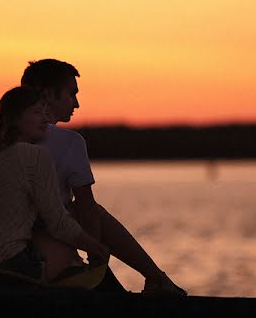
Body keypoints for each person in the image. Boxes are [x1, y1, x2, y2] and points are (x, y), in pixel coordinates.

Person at [20, 59, 185, 295]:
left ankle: (152, 279)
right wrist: (96, 262)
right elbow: (86, 210)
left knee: (78, 212)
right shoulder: (70, 143)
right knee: (89, 210)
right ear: (47, 94)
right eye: (70, 94)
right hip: (42, 252)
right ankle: (152, 278)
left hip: (9, 247)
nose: (76, 103)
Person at [0, 87, 109, 283]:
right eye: (37, 112)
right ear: (14, 118)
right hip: (8, 268)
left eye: (46, 113)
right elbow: (59, 225)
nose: (45, 119)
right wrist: (97, 248)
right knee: (67, 240)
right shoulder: (34, 156)